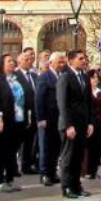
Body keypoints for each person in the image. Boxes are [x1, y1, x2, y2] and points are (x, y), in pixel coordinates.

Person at [0, 54, 26, 193]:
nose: (12, 63)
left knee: (11, 152)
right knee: (0, 151)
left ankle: (9, 179)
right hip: (2, 121)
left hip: (16, 120)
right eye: (9, 61)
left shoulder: (15, 80)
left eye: (13, 61)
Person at [58, 50, 94, 198]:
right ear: (70, 61)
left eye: (84, 58)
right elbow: (63, 102)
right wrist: (68, 125)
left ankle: (76, 185)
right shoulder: (65, 77)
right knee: (68, 157)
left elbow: (88, 101)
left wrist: (90, 122)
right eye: (80, 58)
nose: (84, 61)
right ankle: (66, 187)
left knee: (79, 156)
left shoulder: (84, 77)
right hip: (70, 123)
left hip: (83, 123)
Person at [35, 52, 65, 187]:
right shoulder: (44, 77)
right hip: (47, 117)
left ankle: (52, 172)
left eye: (62, 61)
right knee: (45, 147)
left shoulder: (61, 76)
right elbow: (39, 98)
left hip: (58, 118)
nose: (62, 64)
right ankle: (44, 174)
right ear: (51, 63)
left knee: (55, 146)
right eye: (59, 62)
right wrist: (41, 118)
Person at [13, 50, 38, 176]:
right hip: (20, 112)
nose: (29, 62)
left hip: (33, 112)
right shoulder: (15, 75)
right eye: (26, 60)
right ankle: (13, 166)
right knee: (17, 141)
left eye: (30, 60)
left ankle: (26, 164)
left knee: (30, 140)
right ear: (19, 62)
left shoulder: (34, 75)